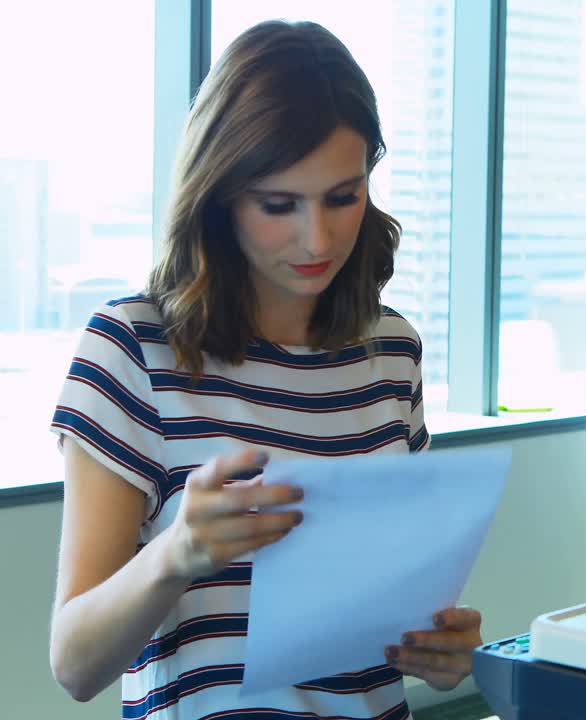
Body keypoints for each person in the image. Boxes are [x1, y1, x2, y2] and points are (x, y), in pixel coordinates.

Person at [47, 20, 480, 719]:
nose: (318, 238)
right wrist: (177, 552)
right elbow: (73, 663)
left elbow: (401, 607)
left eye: (344, 196)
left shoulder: (391, 353)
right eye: (280, 205)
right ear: (220, 196)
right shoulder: (130, 350)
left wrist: (444, 652)